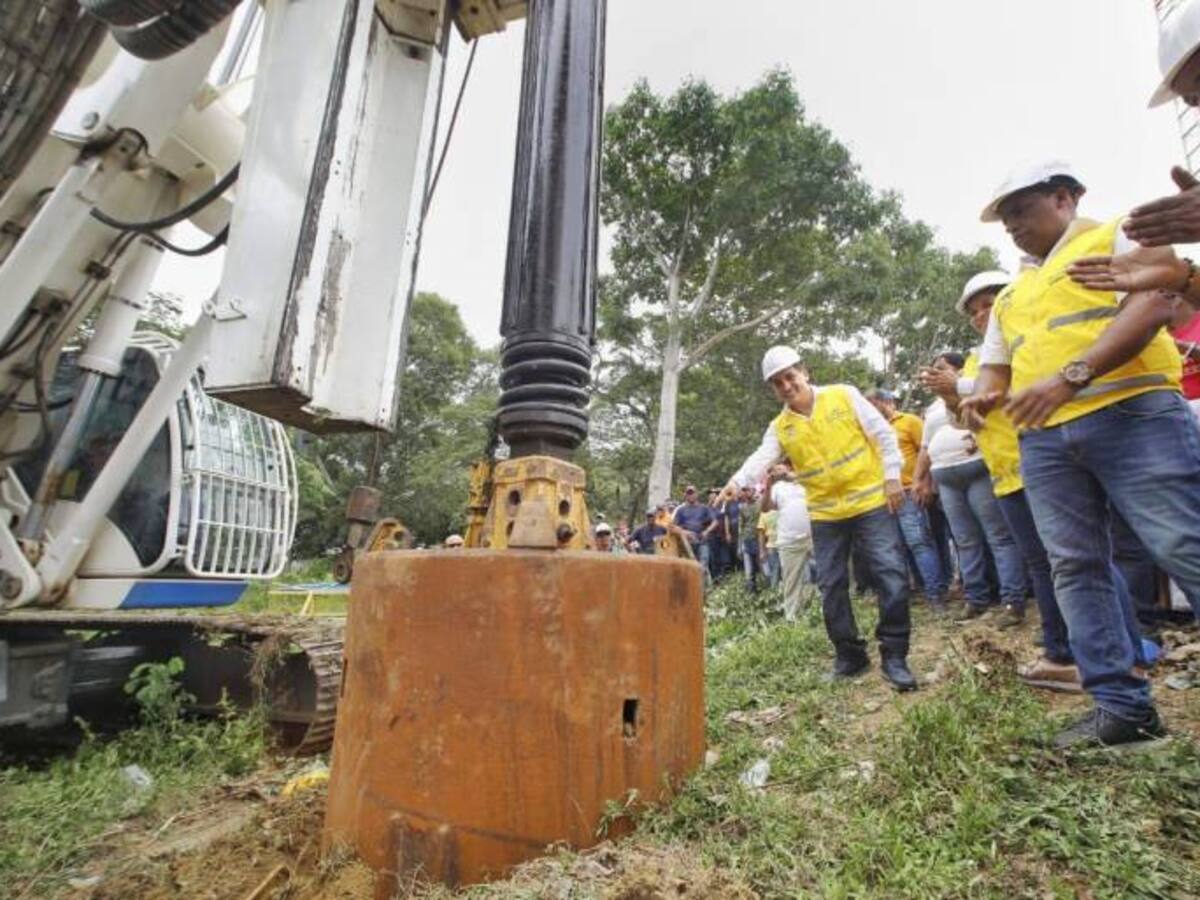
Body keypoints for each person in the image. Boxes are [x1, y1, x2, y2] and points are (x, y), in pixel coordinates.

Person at [961, 160, 1200, 746]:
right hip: (1046, 440)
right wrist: (984, 397)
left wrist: (1072, 376)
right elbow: (996, 366)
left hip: (1133, 415)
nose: (1013, 226)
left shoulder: (1120, 233)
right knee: (1073, 566)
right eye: (1006, 220)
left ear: (1065, 198)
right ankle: (1122, 707)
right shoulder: (1013, 294)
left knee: (1183, 543)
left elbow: (1154, 305)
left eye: (1021, 210)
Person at [723, 347, 916, 691]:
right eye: (777, 383)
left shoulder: (843, 395)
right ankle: (850, 656)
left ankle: (895, 654)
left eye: (790, 377)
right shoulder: (781, 427)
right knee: (830, 584)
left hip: (870, 502)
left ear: (804, 372)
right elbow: (762, 457)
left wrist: (891, 477)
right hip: (826, 513)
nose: (786, 386)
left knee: (890, 573)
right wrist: (736, 482)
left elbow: (883, 435)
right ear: (773, 389)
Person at [923, 272, 1079, 693]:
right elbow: (968, 419)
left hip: (1042, 462)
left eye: (988, 305)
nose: (981, 316)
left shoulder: (1025, 337)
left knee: (1073, 558)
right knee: (1040, 563)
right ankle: (1059, 647)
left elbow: (1023, 386)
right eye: (974, 312)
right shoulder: (980, 361)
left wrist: (960, 386)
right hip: (1006, 472)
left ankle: (1096, 646)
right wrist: (951, 397)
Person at [915, 350, 1028, 625]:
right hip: (945, 476)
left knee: (997, 536)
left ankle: (1012, 599)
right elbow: (926, 446)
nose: (936, 372)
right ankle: (976, 598)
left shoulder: (977, 385)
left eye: (941, 367)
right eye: (933, 368)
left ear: (958, 368)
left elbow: (988, 420)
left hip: (976, 467)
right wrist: (920, 478)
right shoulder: (934, 407)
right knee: (964, 540)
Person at [867, 389, 949, 609]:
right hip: (883, 496)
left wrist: (925, 484)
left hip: (908, 491)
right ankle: (918, 590)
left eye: (873, 404)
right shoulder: (870, 431)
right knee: (897, 547)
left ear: (885, 402)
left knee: (919, 542)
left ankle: (935, 594)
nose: (870, 409)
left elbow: (927, 451)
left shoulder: (909, 421)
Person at [762, 462, 815, 621]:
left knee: (825, 574)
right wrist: (768, 486)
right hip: (789, 541)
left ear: (788, 467)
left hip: (813, 537)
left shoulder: (804, 481)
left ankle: (822, 609)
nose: (776, 471)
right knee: (791, 581)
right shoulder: (777, 488)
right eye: (774, 470)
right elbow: (765, 508)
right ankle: (792, 617)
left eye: (779, 468)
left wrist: (793, 476)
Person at [672, 485, 717, 582]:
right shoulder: (681, 510)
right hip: (687, 543)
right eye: (689, 493)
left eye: (692, 493)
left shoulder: (704, 508)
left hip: (702, 541)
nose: (691, 496)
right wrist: (684, 532)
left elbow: (715, 522)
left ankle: (702, 587)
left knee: (703, 564)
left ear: (697, 494)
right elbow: (672, 527)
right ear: (685, 495)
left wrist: (707, 531)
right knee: (688, 566)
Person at [737, 486, 763, 592]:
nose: (747, 493)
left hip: (759, 539)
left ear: (753, 491)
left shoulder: (760, 504)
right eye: (744, 491)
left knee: (764, 567)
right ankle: (751, 591)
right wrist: (739, 546)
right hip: (747, 539)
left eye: (748, 490)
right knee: (749, 571)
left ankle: (768, 590)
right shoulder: (742, 508)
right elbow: (741, 526)